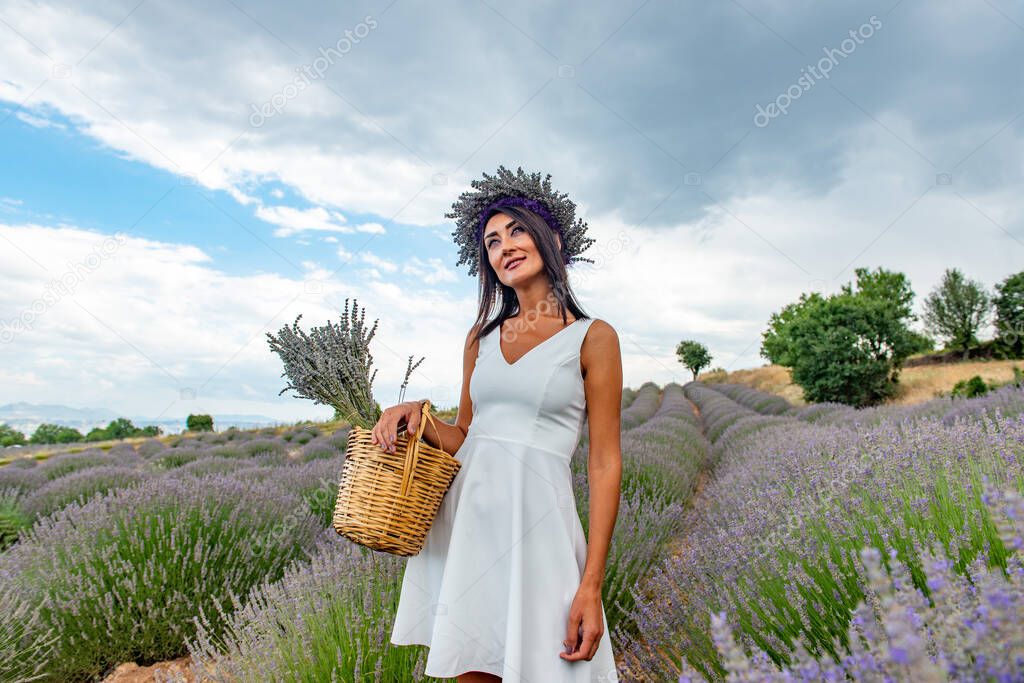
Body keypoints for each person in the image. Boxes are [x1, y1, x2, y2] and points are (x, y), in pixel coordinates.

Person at [377, 166, 622, 682]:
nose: (504, 246)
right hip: (468, 522)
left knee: (550, 668)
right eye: (491, 241)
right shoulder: (479, 338)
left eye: (516, 230)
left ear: (553, 239)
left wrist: (591, 584)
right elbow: (465, 434)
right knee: (474, 667)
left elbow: (603, 462)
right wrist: (417, 414)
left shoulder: (593, 338)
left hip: (540, 531)